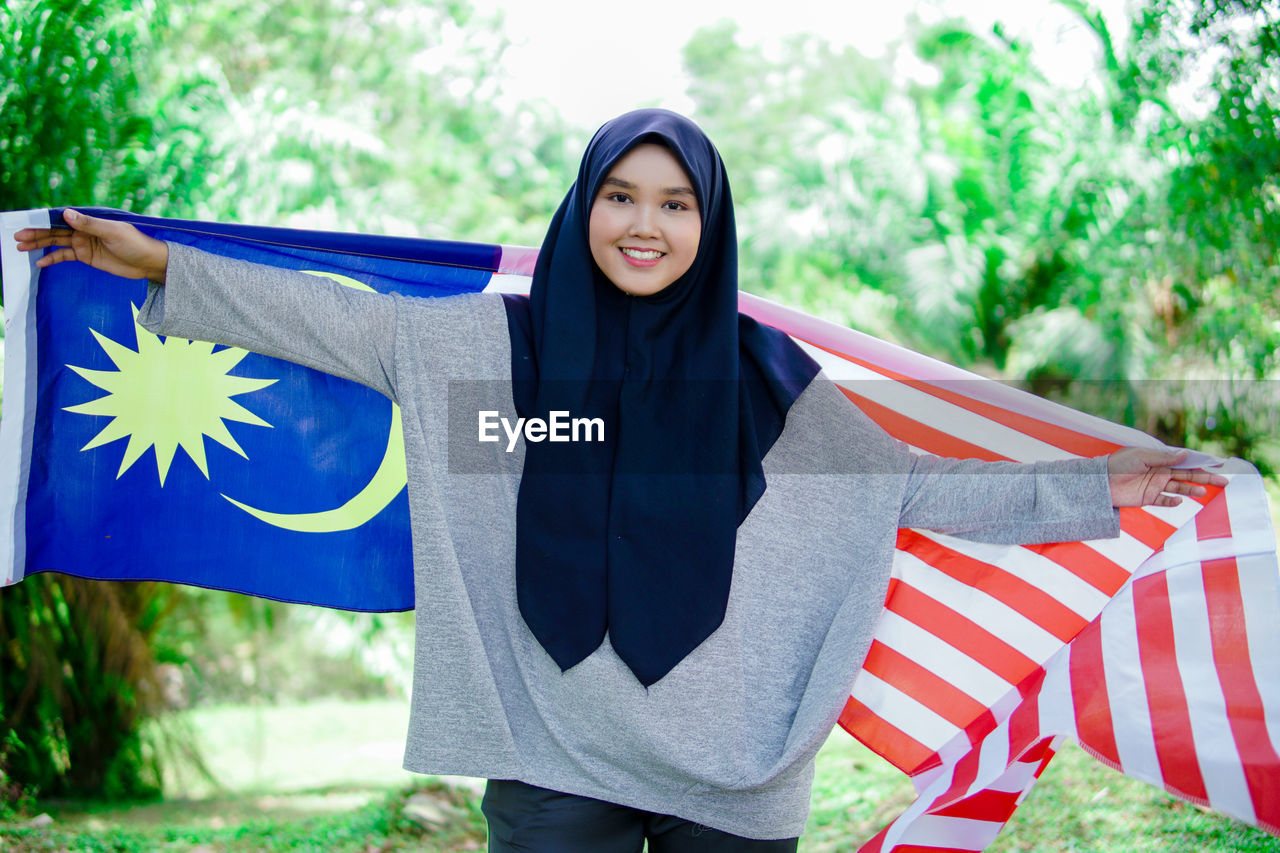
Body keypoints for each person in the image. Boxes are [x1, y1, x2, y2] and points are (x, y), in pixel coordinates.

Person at [15, 109, 1226, 852]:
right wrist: (158, 258)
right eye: (618, 195)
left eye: (674, 202)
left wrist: (1095, 487)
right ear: (580, 207)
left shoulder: (769, 385)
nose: (642, 224)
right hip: (549, 760)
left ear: (711, 225)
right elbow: (325, 321)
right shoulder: (480, 351)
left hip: (734, 772)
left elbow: (902, 487)